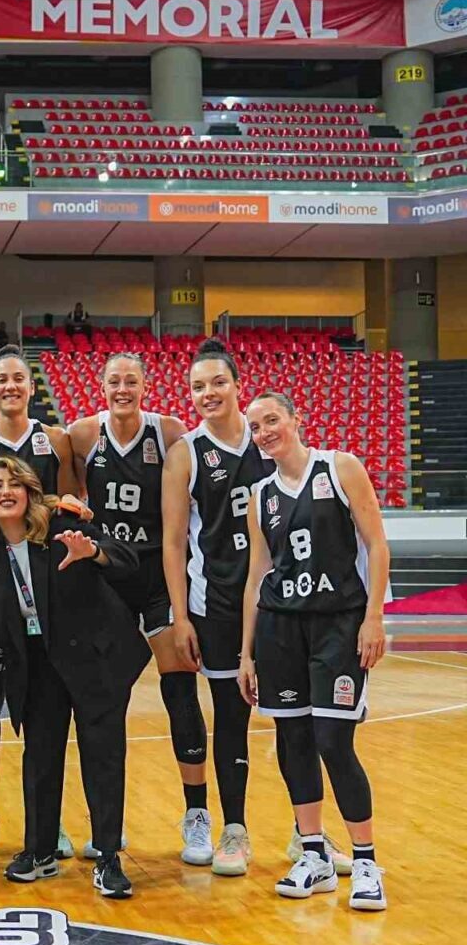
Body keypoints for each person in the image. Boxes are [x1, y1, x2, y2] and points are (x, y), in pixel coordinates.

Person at [0, 455, 146, 898]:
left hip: (94, 656)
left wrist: (93, 552)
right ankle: (40, 851)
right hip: (36, 659)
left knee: (101, 754)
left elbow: (128, 560)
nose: (5, 492)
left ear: (29, 491)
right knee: (40, 754)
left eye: (14, 484)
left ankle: (107, 857)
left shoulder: (63, 523)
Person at [239, 393, 390, 911]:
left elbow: (376, 544)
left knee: (332, 740)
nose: (264, 432)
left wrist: (374, 617)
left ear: (295, 420)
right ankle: (313, 855)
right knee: (295, 739)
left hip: (337, 624)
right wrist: (245, 654)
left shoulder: (340, 467)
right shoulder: (260, 495)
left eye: (272, 420)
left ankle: (365, 862)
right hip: (280, 627)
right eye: (255, 426)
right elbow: (257, 575)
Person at [68, 353, 212, 865]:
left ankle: (197, 815)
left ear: (145, 386)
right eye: (114, 381)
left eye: (131, 380)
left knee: (180, 689)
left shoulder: (168, 432)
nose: (123, 389)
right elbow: (68, 494)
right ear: (102, 385)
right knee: (106, 700)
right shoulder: (82, 435)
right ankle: (107, 822)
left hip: (156, 577)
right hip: (107, 579)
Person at [0, 347, 76, 859]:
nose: (10, 386)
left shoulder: (56, 440)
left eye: (18, 378)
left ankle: (50, 820)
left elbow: (67, 505)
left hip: (42, 592)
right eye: (2, 379)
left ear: (30, 386)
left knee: (45, 717)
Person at [162, 338, 274, 878]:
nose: (208, 393)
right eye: (198, 386)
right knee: (229, 714)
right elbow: (173, 543)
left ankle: (307, 833)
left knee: (295, 718)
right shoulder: (186, 452)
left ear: (237, 385)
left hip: (278, 603)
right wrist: (181, 616)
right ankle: (231, 827)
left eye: (217, 383)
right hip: (217, 604)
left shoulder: (268, 442)